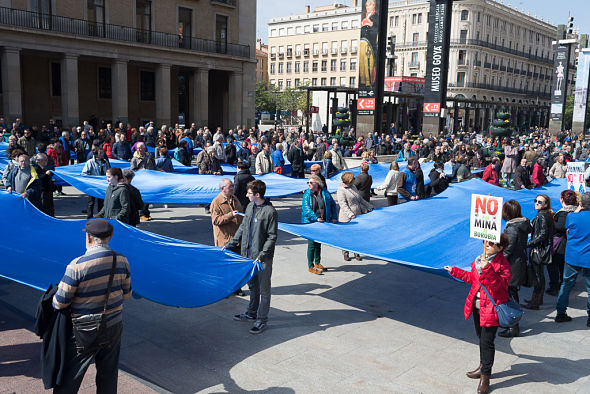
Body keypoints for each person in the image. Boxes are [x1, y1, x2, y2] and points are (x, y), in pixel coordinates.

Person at [52, 219, 131, 394]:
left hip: (84, 329)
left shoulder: (77, 265)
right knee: (108, 375)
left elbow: (60, 302)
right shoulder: (122, 260)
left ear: (88, 237)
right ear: (110, 236)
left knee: (71, 376)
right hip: (114, 324)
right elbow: (127, 294)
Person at [444, 234, 511, 394]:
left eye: (491, 243)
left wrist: (488, 269)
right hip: (477, 307)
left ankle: (485, 377)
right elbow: (472, 279)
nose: (487, 244)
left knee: (487, 343)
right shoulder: (479, 260)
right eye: (485, 242)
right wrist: (455, 271)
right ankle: (482, 367)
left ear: (500, 248)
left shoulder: (503, 265)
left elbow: (500, 288)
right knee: (481, 340)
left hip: (491, 310)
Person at [225, 180, 278, 335]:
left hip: (262, 259)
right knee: (253, 286)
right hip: (248, 256)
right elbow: (242, 228)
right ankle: (251, 312)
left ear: (257, 195)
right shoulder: (249, 207)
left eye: (249, 193)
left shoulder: (270, 212)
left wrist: (262, 255)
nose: (246, 195)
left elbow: (272, 236)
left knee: (264, 289)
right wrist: (230, 244)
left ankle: (261, 320)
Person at [554, 192, 590, 326]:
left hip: (573, 256)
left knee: (566, 284)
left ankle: (560, 312)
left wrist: (578, 209)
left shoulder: (572, 216)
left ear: (580, 204)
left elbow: (568, 229)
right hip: (588, 257)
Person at [499, 200, 531, 338]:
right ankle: (512, 322)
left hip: (512, 264)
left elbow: (508, 249)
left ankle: (513, 326)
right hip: (519, 262)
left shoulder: (512, 228)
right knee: (512, 293)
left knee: (509, 295)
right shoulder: (523, 223)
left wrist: (497, 261)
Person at [523, 194, 555, 310]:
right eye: (535, 200)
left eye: (540, 202)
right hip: (540, 249)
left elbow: (543, 235)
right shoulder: (544, 215)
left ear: (545, 204)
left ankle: (535, 301)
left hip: (539, 250)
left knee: (538, 276)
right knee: (539, 275)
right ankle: (536, 299)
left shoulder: (542, 216)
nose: (536, 203)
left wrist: (528, 244)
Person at [301, 175, 338, 274]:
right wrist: (316, 218)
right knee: (312, 244)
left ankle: (317, 262)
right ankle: (310, 266)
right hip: (311, 223)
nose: (309, 184)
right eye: (308, 183)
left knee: (318, 243)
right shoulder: (307, 194)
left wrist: (334, 216)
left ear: (317, 184)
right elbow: (306, 209)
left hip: (322, 222)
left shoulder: (324, 192)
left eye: (311, 183)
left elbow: (333, 205)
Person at [547, 190, 578, 296]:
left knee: (553, 265)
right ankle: (563, 283)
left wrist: (551, 219)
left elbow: (560, 226)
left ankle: (555, 286)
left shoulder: (564, 213)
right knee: (562, 265)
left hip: (561, 243)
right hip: (570, 243)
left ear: (562, 199)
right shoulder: (576, 210)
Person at [337, 172, 373, 261]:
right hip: (346, 217)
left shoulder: (353, 187)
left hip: (357, 215)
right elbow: (343, 204)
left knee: (357, 235)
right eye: (353, 178)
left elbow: (360, 199)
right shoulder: (341, 190)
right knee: (346, 236)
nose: (354, 180)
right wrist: (350, 214)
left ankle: (356, 252)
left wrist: (369, 206)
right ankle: (346, 253)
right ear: (349, 180)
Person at [211, 178, 243, 247]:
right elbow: (216, 220)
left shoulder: (234, 198)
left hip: (237, 240)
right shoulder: (216, 202)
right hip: (225, 242)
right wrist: (230, 215)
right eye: (230, 186)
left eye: (233, 186)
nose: (232, 188)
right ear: (222, 189)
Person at [82, 147, 111, 219]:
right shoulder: (90, 162)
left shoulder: (105, 162)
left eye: (102, 152)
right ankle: (89, 217)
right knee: (91, 202)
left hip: (102, 186)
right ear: (96, 154)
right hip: (92, 185)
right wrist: (92, 178)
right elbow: (84, 173)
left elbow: (109, 172)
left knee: (101, 202)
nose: (102, 154)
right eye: (100, 153)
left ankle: (100, 217)